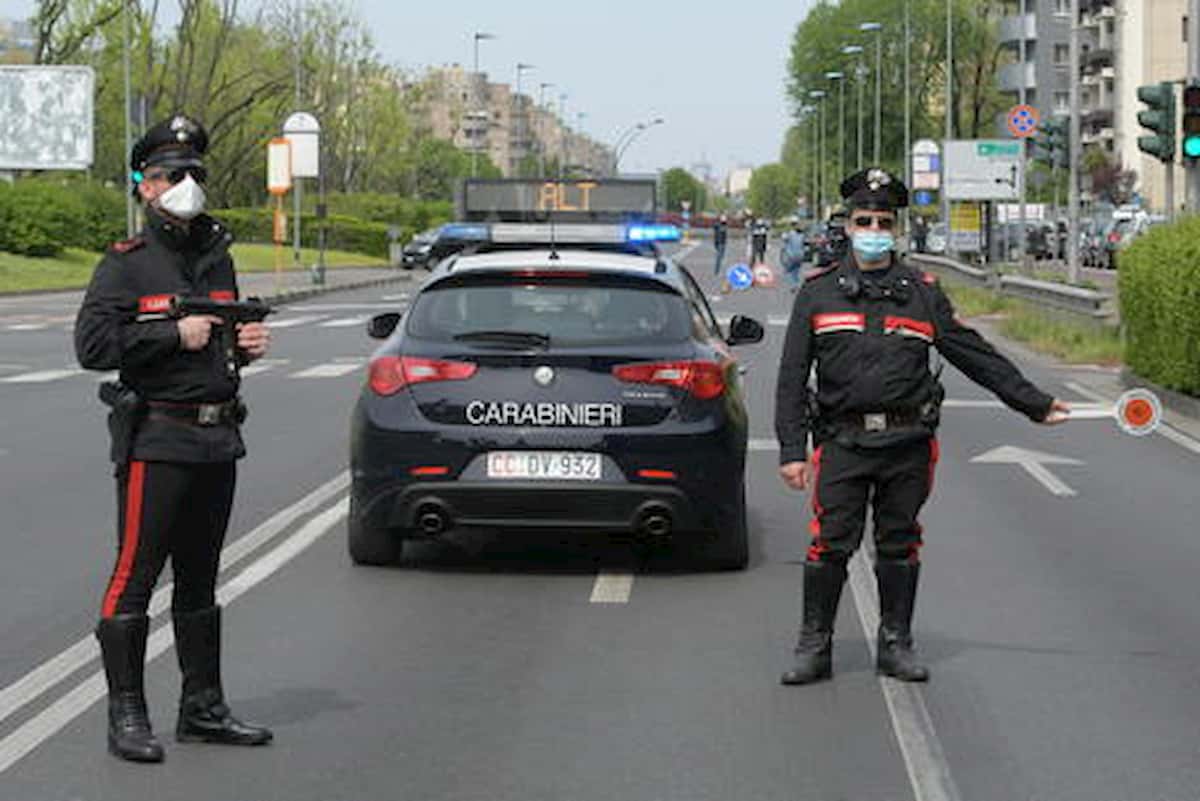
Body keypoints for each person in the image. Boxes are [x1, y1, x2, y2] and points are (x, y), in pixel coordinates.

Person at [774, 167, 1070, 686]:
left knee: (900, 542)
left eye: (882, 221)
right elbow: (793, 376)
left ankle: (895, 644)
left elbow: (974, 354)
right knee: (831, 543)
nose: (872, 229)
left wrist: (1034, 403)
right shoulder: (818, 293)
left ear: (895, 229)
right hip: (842, 441)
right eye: (863, 220)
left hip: (906, 444)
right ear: (847, 224)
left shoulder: (922, 294)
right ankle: (813, 645)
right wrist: (791, 450)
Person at [75, 115, 274, 762]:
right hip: (157, 438)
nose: (185, 185)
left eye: (194, 174)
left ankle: (203, 707)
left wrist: (245, 347)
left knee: (200, 580)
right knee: (135, 577)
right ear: (145, 187)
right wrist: (170, 334)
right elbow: (93, 346)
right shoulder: (127, 264)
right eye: (170, 175)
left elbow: (223, 346)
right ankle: (127, 714)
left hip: (218, 441)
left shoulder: (216, 253)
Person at [780, 216, 808, 289]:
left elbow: (783, 238)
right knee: (796, 270)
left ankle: (793, 285)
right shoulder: (802, 234)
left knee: (788, 270)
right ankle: (797, 283)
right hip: (800, 255)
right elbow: (804, 244)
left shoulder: (790, 234)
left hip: (791, 255)